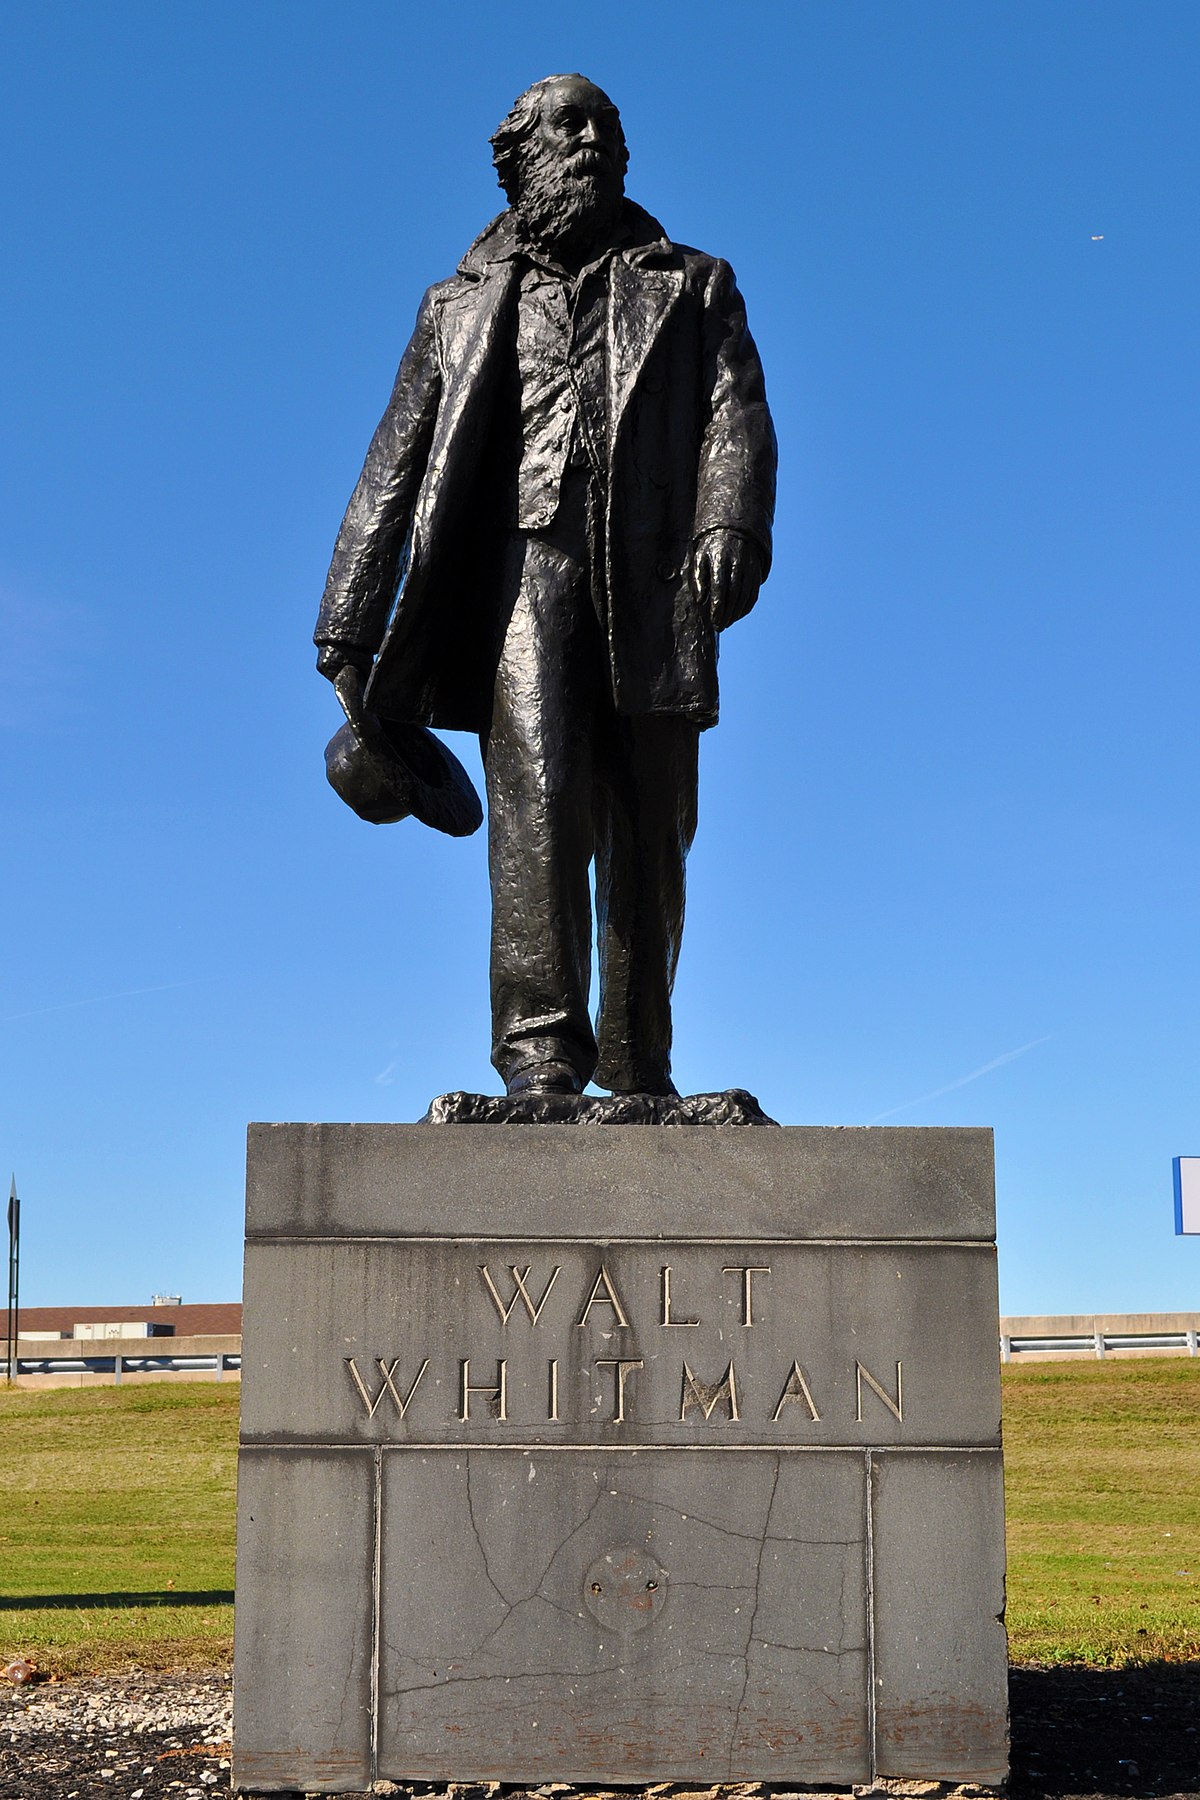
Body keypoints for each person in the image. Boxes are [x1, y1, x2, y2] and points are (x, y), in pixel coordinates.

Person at [315, 74, 777, 1099]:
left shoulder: (692, 283)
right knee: (538, 804)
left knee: (654, 825)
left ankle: (639, 1064)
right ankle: (539, 1060)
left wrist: (731, 520)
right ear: (517, 155)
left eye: (608, 126)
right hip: (526, 575)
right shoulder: (459, 305)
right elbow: (394, 460)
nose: (596, 140)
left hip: (657, 585)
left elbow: (734, 414)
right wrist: (348, 617)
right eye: (570, 125)